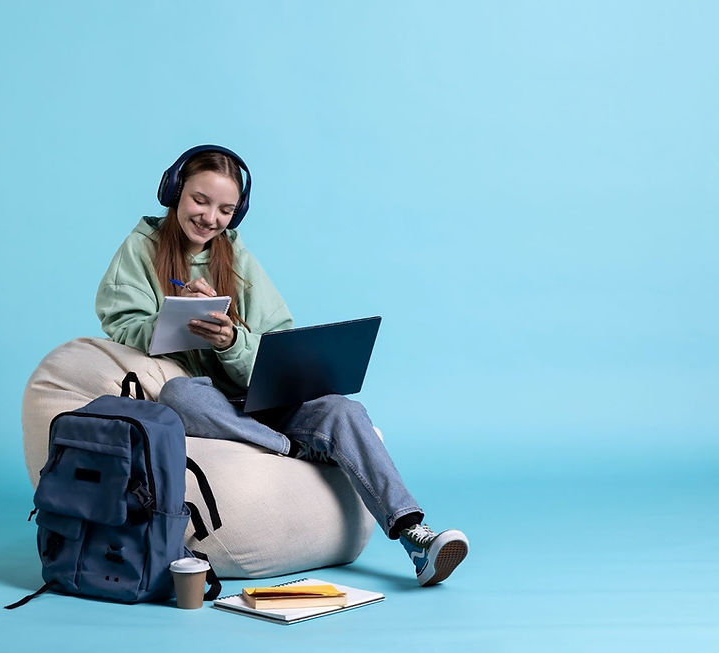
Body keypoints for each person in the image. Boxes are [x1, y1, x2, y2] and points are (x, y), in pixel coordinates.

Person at [95, 145, 468, 586]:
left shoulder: (236, 256)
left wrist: (231, 339)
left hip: (259, 395)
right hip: (211, 404)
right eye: (200, 200)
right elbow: (121, 322)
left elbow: (279, 340)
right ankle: (288, 449)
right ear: (174, 191)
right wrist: (177, 321)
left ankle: (414, 537)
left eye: (226, 209)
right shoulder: (141, 249)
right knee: (179, 395)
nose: (210, 217)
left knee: (342, 409)